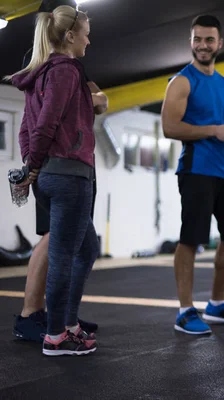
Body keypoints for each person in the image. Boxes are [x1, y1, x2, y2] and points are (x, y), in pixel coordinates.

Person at [11, 0, 106, 344]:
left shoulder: (44, 69)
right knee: (62, 252)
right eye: (86, 34)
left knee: (84, 248)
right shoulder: (65, 69)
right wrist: (33, 164)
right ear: (68, 33)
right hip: (66, 173)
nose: (89, 41)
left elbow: (28, 126)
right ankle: (56, 333)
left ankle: (65, 321)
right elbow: (46, 122)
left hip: (54, 172)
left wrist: (31, 166)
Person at [161, 15, 224, 335]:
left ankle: (217, 303)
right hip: (196, 169)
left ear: (219, 44)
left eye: (208, 40)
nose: (202, 45)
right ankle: (185, 310)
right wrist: (214, 130)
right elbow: (169, 127)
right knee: (192, 239)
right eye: (197, 39)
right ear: (191, 42)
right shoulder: (182, 81)